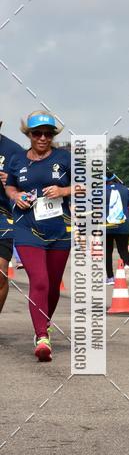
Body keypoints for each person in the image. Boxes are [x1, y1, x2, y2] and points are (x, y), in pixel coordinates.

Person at [4, 112, 73, 361]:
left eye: (48, 133)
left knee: (53, 287)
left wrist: (62, 189)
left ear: (54, 135)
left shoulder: (64, 157)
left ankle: (44, 323)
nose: (43, 138)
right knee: (40, 281)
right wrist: (15, 196)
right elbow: (10, 185)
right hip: (26, 227)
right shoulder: (16, 159)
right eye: (37, 133)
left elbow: (84, 185)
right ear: (28, 134)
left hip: (59, 229)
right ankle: (42, 336)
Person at [0, 121, 25, 315]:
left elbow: (30, 187)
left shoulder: (15, 152)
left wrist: (10, 180)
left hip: (4, 218)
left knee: (0, 274)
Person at [105, 172, 129, 283]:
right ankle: (126, 265)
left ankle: (110, 277)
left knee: (108, 251)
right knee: (123, 248)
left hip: (107, 227)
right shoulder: (125, 189)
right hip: (123, 225)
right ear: (115, 178)